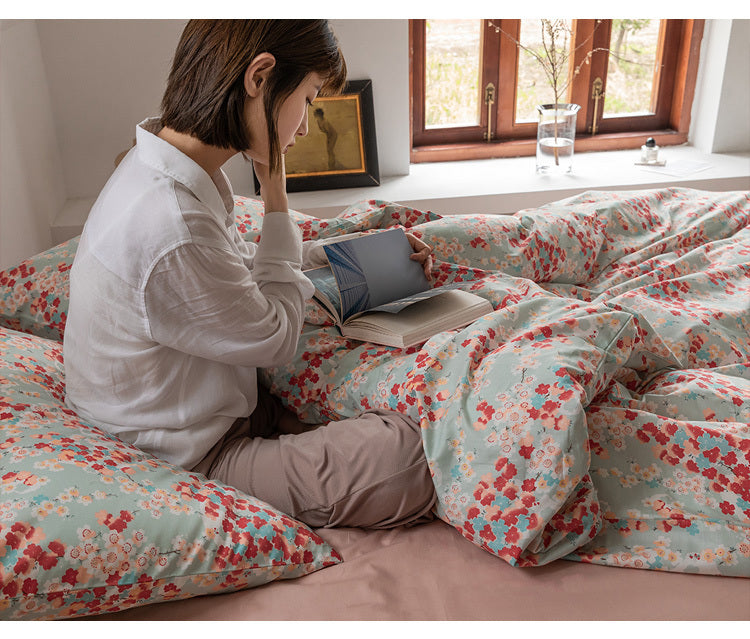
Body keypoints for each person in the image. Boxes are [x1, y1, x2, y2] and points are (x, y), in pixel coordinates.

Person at [63, 19, 436, 530]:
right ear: (260, 77)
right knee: (411, 454)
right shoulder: (170, 224)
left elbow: (241, 266)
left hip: (213, 401)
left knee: (370, 377)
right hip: (183, 454)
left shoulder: (172, 168)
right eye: (307, 99)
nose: (304, 127)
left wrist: (365, 255)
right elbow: (277, 337)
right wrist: (276, 196)